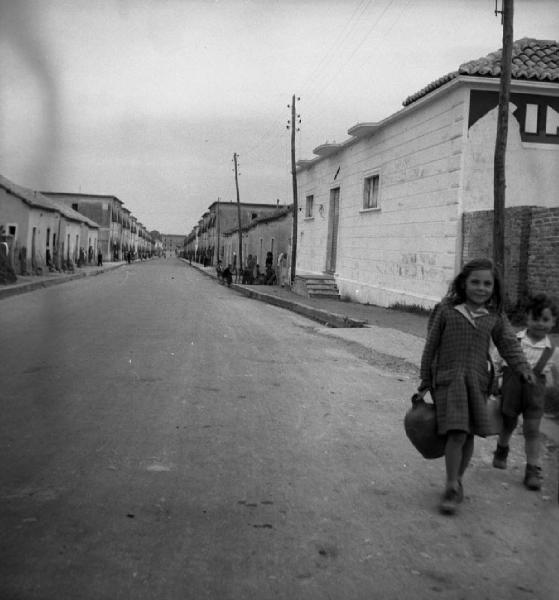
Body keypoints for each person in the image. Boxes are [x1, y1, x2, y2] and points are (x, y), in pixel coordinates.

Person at [418, 258, 534, 515]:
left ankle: (458, 481)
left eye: (487, 284)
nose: (481, 288)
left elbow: (509, 345)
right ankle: (450, 485)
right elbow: (431, 345)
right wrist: (425, 379)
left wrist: (523, 368)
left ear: (494, 287)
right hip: (448, 381)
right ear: (463, 283)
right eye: (475, 282)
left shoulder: (494, 316)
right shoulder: (447, 310)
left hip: (477, 381)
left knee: (468, 433)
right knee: (456, 433)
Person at [492, 293, 559, 490]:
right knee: (508, 424)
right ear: (527, 318)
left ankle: (532, 469)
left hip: (534, 399)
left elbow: (556, 376)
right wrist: (494, 380)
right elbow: (496, 360)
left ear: (554, 321)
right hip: (511, 393)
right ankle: (501, 449)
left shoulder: (553, 351)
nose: (540, 323)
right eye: (535, 318)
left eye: (545, 319)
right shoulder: (513, 341)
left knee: (532, 431)